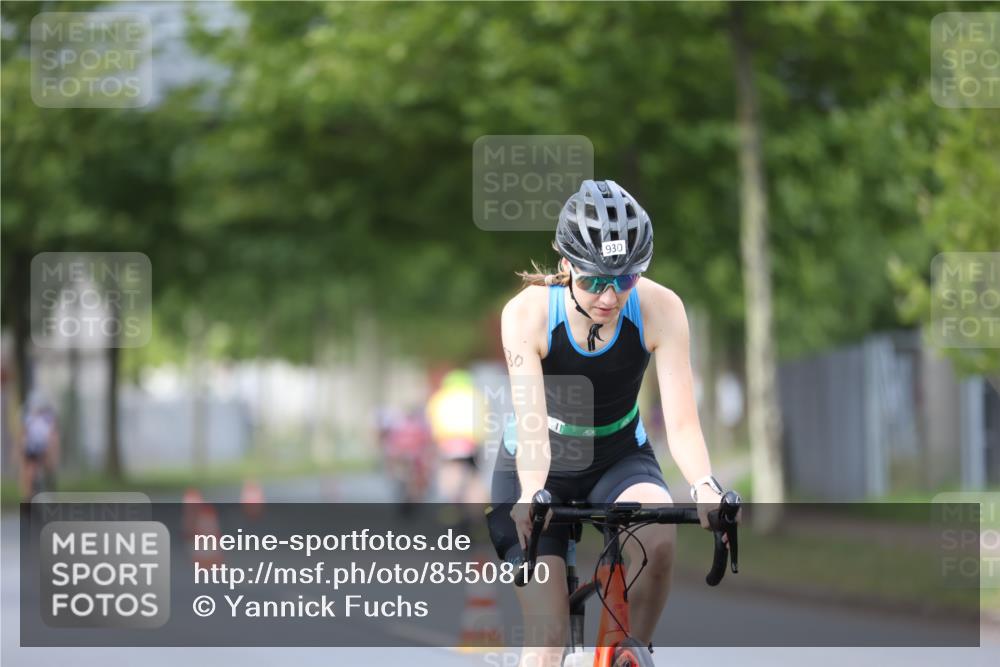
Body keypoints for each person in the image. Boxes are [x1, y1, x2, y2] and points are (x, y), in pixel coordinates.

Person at [488, 179, 735, 667]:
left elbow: (683, 423)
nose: (609, 296)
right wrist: (532, 493)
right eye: (594, 281)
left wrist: (706, 486)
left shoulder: (661, 308)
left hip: (619, 457)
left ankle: (631, 652)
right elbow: (532, 425)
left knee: (659, 537)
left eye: (624, 280)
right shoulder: (527, 315)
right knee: (546, 642)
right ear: (566, 267)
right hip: (539, 468)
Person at [426, 370, 488, 507]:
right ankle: (477, 511)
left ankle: (451, 504)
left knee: (448, 472)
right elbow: (485, 421)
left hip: (447, 441)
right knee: (474, 476)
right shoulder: (477, 396)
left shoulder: (439, 397)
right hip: (471, 442)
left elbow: (432, 420)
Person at [20, 390, 61, 500]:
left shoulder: (49, 416)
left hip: (44, 446)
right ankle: (28, 497)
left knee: (48, 464)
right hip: (32, 447)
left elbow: (53, 436)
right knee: (29, 472)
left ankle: (49, 485)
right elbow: (24, 435)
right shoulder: (28, 416)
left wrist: (54, 453)